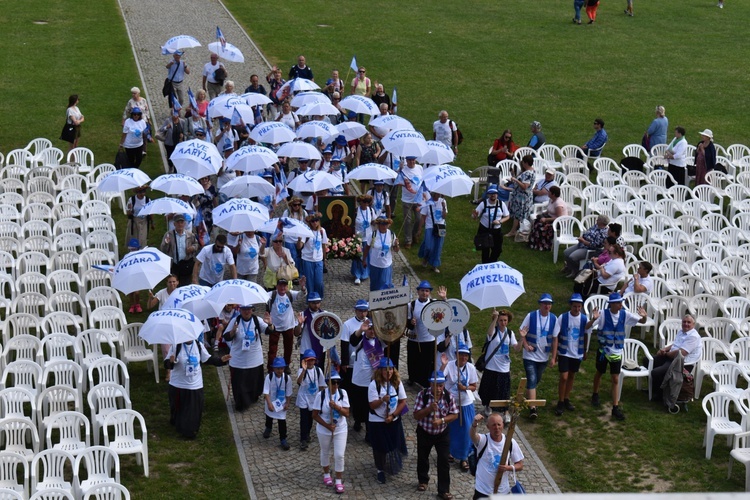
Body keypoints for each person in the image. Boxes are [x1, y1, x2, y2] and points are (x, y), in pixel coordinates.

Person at [586, 292, 649, 420]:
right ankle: (595, 394)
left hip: (617, 352)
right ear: (612, 304)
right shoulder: (603, 314)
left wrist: (644, 316)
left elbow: (642, 321)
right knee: (599, 372)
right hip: (604, 350)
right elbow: (587, 327)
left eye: (621, 302)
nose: (621, 304)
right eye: (618, 302)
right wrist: (593, 319)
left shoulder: (624, 314)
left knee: (615, 378)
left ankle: (615, 407)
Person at [165, 339, 230, 439]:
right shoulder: (176, 346)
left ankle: (190, 431)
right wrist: (170, 362)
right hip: (179, 384)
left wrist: (221, 360)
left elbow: (207, 359)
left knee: (193, 410)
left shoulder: (198, 345)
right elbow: (167, 364)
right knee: (179, 409)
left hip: (195, 384)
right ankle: (179, 423)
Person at [413, 371, 459, 499]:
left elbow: (454, 414)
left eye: (440, 385)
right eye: (435, 385)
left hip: (442, 433)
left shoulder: (448, 396)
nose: (438, 388)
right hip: (424, 431)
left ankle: (443, 490)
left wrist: (441, 421)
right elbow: (416, 415)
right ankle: (423, 480)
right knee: (422, 457)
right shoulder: (422, 395)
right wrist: (428, 409)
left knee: (444, 460)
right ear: (430, 384)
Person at [223, 305, 273, 411]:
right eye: (244, 310)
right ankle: (241, 402)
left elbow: (269, 331)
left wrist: (270, 324)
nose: (247, 312)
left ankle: (252, 398)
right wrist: (233, 331)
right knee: (240, 383)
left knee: (253, 381)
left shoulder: (257, 320)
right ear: (240, 310)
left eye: (249, 309)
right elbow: (226, 336)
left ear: (252, 310)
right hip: (238, 359)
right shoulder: (235, 321)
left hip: (254, 358)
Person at [550, 294, 590, 416]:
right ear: (570, 306)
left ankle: (566, 398)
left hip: (577, 352)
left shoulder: (584, 319)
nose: (577, 309)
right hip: (564, 351)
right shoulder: (563, 317)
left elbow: (587, 333)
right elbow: (555, 335)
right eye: (574, 307)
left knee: (572, 375)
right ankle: (560, 401)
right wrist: (555, 354)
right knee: (564, 377)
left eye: (579, 307)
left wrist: (585, 350)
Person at [368, 358, 407, 484]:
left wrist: (393, 415)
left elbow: (402, 402)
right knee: (379, 446)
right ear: (380, 371)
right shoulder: (374, 385)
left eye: (390, 369)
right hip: (377, 420)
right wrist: (382, 400)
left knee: (393, 443)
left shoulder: (397, 383)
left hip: (393, 419)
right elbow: (372, 405)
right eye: (386, 369)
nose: (388, 372)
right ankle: (380, 469)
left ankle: (391, 464)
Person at [518, 293, 557, 419]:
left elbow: (555, 339)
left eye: (549, 303)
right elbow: (522, 332)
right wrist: (525, 345)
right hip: (530, 355)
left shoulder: (554, 319)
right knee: (532, 378)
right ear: (540, 304)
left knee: (535, 380)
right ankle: (533, 408)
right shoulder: (531, 315)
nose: (547, 306)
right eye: (545, 303)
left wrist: (553, 357)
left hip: (543, 356)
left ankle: (526, 396)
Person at [440, 343, 478, 472]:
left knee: (466, 429)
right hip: (452, 402)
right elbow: (439, 377)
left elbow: (474, 385)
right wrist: (444, 364)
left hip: (466, 402)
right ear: (456, 355)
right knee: (451, 428)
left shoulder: (471, 368)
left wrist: (466, 388)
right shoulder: (450, 365)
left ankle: (464, 457)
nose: (463, 357)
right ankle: (451, 451)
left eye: (465, 355)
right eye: (461, 354)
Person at [478, 309, 520, 421]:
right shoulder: (494, 331)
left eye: (505, 320)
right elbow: (489, 334)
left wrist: (523, 338)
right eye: (501, 320)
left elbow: (516, 348)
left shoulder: (510, 333)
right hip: (491, 366)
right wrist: (494, 319)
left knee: (504, 391)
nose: (503, 322)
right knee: (489, 388)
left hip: (504, 367)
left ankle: (505, 411)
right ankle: (488, 406)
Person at [312, 369, 350, 493]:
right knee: (325, 451)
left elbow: (347, 413)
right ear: (328, 383)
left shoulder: (343, 394)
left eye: (338, 382)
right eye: (333, 382)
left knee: (339, 455)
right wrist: (327, 426)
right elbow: (315, 415)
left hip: (340, 428)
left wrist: (337, 407)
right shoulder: (321, 395)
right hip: (324, 429)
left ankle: (338, 480)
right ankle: (326, 473)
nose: (336, 385)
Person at [470, 413, 524, 498]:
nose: (497, 428)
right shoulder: (484, 440)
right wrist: (474, 424)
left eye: (499, 424)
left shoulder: (510, 442)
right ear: (488, 427)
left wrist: (508, 468)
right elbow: (473, 436)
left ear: (502, 425)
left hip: (502, 491)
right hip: (483, 490)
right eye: (493, 425)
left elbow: (520, 465)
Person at [650, 314, 702, 403]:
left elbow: (681, 353)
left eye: (689, 322)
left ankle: (659, 396)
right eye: (684, 322)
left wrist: (665, 354)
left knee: (656, 372)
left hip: (682, 363)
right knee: (648, 361)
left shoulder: (693, 337)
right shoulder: (681, 332)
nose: (686, 324)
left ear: (693, 325)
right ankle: (653, 389)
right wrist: (664, 349)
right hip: (672, 357)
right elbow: (675, 345)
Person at [407, 282, 447, 388]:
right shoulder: (412, 305)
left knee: (428, 362)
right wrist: (411, 322)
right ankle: (413, 378)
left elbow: (445, 311)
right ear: (418, 291)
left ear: (429, 292)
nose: (424, 293)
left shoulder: (434, 303)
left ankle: (426, 381)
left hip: (430, 339)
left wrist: (444, 299)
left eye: (427, 291)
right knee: (413, 361)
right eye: (422, 291)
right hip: (415, 339)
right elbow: (407, 323)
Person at [348, 315, 383, 433]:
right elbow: (352, 341)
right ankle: (358, 421)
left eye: (374, 329)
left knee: (370, 405)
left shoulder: (380, 341)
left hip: (373, 379)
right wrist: (361, 330)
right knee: (358, 405)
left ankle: (369, 432)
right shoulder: (360, 339)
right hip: (359, 378)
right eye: (370, 329)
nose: (372, 332)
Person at [266, 277, 307, 372]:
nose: (282, 287)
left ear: (287, 286)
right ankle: (271, 366)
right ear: (276, 286)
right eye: (280, 285)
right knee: (272, 348)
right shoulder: (271, 295)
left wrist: (303, 287)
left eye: (284, 285)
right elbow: (261, 297)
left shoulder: (290, 294)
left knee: (288, 347)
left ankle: (286, 364)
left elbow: (302, 294)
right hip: (274, 326)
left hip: (288, 325)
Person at [296, 349, 326, 450]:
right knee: (303, 419)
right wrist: (304, 370)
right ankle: (303, 439)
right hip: (303, 398)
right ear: (304, 361)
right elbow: (299, 382)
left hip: (314, 399)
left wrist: (322, 399)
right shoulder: (301, 370)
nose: (310, 362)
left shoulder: (318, 371)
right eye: (308, 360)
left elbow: (322, 385)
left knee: (310, 419)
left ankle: (307, 433)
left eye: (312, 360)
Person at [472, 185, 510, 264]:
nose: (493, 195)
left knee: (497, 250)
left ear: (497, 194)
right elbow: (474, 216)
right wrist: (475, 216)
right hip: (485, 229)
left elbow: (507, 216)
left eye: (494, 193)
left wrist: (500, 221)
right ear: (488, 194)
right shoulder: (483, 204)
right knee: (485, 249)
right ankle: (485, 265)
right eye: (491, 193)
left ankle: (492, 263)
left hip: (497, 230)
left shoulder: (501, 204)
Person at [263, 357, 294, 450]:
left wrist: (287, 403)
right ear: (273, 369)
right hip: (271, 401)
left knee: (282, 421)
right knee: (269, 416)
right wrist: (269, 403)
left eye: (281, 368)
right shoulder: (269, 377)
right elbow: (266, 392)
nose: (279, 370)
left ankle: (283, 438)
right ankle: (268, 428)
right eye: (277, 368)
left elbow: (288, 393)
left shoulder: (287, 378)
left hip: (282, 403)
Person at [362, 217, 400, 291]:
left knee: (385, 284)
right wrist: (364, 260)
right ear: (378, 225)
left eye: (386, 224)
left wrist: (397, 244)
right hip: (374, 263)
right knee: (374, 284)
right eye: (382, 224)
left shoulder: (391, 234)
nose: (384, 226)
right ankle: (373, 299)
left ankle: (384, 300)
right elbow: (367, 248)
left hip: (386, 264)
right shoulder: (373, 234)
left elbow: (396, 250)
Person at [340, 300, 370, 391]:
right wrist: (345, 362)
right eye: (360, 311)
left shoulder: (371, 323)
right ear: (356, 311)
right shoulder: (348, 324)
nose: (363, 314)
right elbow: (344, 343)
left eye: (365, 311)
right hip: (352, 361)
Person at [297, 213, 328, 299]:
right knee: (309, 282)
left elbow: (323, 246)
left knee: (319, 282)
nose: (315, 223)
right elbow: (299, 247)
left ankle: (318, 298)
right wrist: (299, 240)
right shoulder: (306, 232)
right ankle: (310, 299)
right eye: (312, 221)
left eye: (316, 220)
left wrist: (324, 259)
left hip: (318, 259)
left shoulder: (322, 231)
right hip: (307, 260)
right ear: (309, 222)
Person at [396, 156, 424, 248]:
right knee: (407, 221)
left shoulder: (420, 168)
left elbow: (422, 181)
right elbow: (397, 180)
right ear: (406, 161)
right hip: (407, 199)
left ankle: (414, 234)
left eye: (413, 160)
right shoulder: (403, 170)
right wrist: (399, 170)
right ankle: (408, 240)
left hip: (418, 199)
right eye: (410, 160)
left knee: (419, 219)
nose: (412, 162)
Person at [504, 155, 535, 238]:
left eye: (523, 162)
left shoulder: (528, 174)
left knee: (518, 215)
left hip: (522, 197)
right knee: (519, 215)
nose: (522, 164)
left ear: (526, 163)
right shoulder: (532, 171)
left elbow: (525, 186)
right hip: (522, 196)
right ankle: (518, 230)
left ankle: (513, 231)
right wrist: (514, 176)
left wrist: (516, 180)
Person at [528, 186, 567, 251]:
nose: (548, 193)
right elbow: (549, 210)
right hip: (551, 217)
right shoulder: (551, 199)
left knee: (540, 226)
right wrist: (542, 215)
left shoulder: (558, 204)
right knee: (536, 220)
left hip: (559, 222)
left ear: (553, 194)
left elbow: (559, 217)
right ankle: (533, 243)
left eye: (549, 192)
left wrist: (546, 219)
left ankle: (543, 245)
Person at [418, 191, 448, 273]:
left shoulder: (443, 201)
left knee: (438, 246)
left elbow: (444, 216)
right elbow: (423, 217)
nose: (439, 195)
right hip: (430, 226)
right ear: (433, 193)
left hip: (441, 226)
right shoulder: (427, 203)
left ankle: (434, 265)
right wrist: (420, 229)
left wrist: (444, 207)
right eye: (437, 193)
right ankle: (426, 258)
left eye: (440, 193)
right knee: (428, 246)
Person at [352, 194, 376, 285]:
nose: (366, 204)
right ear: (360, 202)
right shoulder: (356, 211)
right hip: (358, 237)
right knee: (358, 256)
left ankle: (365, 273)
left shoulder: (371, 210)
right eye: (364, 202)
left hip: (368, 237)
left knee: (366, 256)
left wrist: (376, 222)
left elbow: (374, 221)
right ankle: (357, 275)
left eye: (368, 202)